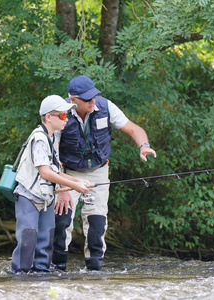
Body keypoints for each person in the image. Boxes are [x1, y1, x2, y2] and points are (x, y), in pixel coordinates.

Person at [53, 75, 157, 271]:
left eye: (94, 96)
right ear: (73, 100)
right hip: (67, 173)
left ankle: (94, 273)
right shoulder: (61, 113)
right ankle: (57, 270)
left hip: (98, 172)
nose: (93, 102)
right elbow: (52, 153)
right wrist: (61, 187)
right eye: (87, 99)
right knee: (62, 220)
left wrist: (143, 146)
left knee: (96, 223)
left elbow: (134, 129)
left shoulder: (105, 106)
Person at [11, 95, 90, 274]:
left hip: (46, 198)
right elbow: (45, 172)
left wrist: (77, 180)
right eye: (62, 116)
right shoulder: (39, 138)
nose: (67, 119)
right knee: (28, 241)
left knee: (46, 241)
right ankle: (19, 279)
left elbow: (55, 171)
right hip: (28, 197)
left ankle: (42, 277)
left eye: (67, 115)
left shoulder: (52, 138)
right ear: (49, 117)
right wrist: (74, 186)